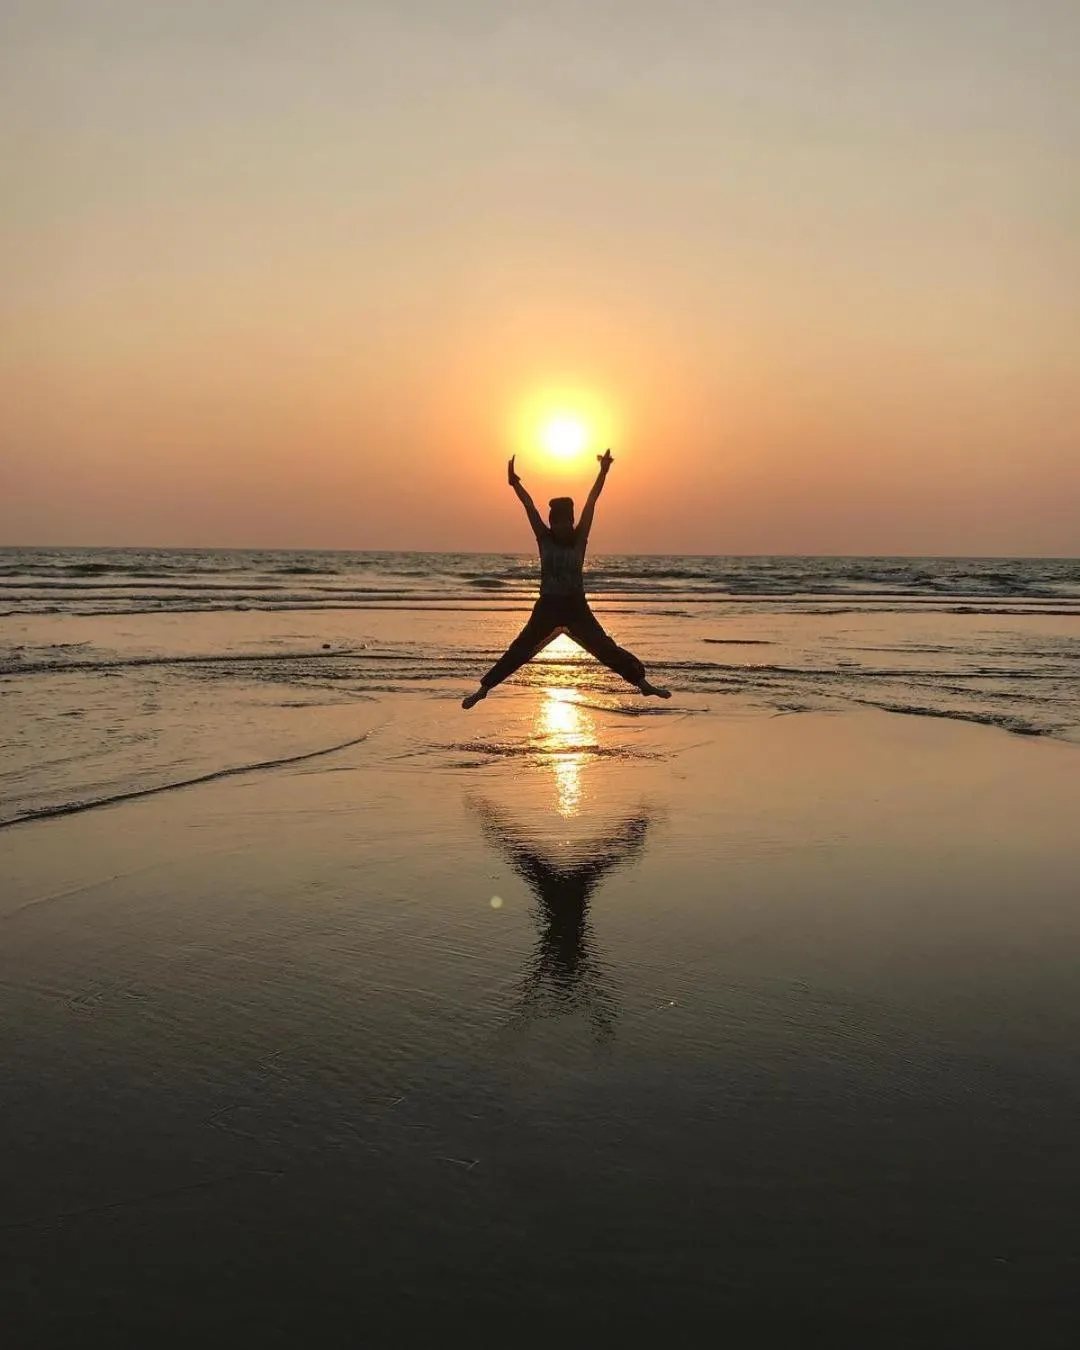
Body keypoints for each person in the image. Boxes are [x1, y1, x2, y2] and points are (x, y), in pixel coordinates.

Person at [462, 449, 671, 709]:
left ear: (572, 522)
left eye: (567, 522)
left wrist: (603, 472)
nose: (564, 527)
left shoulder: (580, 537)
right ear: (552, 524)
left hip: (576, 606)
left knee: (604, 647)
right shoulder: (544, 537)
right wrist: (515, 483)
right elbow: (529, 507)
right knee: (520, 648)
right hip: (547, 606)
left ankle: (643, 684)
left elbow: (592, 502)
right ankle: (483, 690)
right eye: (558, 523)